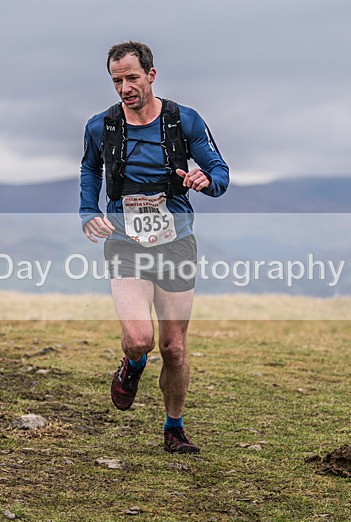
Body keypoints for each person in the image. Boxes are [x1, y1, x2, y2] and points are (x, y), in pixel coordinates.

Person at [80, 41, 229, 453]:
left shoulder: (184, 121)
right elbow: (90, 167)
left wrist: (206, 180)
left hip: (176, 244)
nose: (125, 88)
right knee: (139, 338)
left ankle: (173, 428)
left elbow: (219, 172)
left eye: (131, 78)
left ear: (151, 74)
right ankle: (132, 364)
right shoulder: (101, 126)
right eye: (116, 81)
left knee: (174, 348)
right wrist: (87, 211)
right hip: (125, 243)